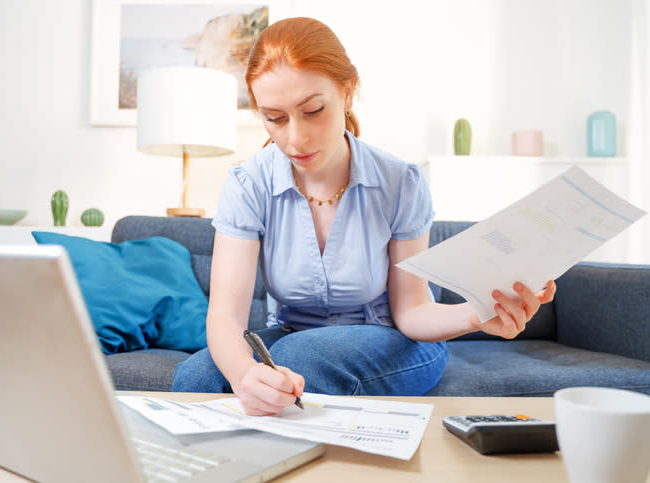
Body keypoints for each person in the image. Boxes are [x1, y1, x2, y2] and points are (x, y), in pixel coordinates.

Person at [172, 17, 556, 415]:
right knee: (198, 378)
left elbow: (412, 312)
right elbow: (226, 317)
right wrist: (242, 375)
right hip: (292, 336)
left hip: (396, 342)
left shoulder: (400, 182)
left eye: (313, 110)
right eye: (275, 118)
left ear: (347, 92)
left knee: (298, 356)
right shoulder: (248, 184)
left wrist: (478, 314)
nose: (295, 139)